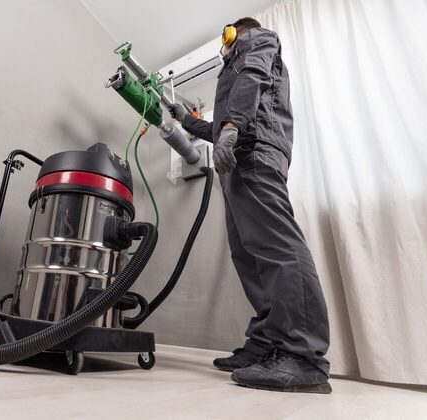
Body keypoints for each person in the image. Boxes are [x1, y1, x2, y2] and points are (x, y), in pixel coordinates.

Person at [170, 17, 331, 394]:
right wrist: (189, 122)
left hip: (252, 150)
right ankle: (268, 343)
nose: (224, 50)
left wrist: (230, 129)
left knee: (276, 247)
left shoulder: (256, 39)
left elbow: (252, 77)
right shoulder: (238, 64)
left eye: (225, 43)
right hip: (239, 153)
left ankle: (303, 355)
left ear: (232, 34)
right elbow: (223, 120)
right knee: (250, 256)